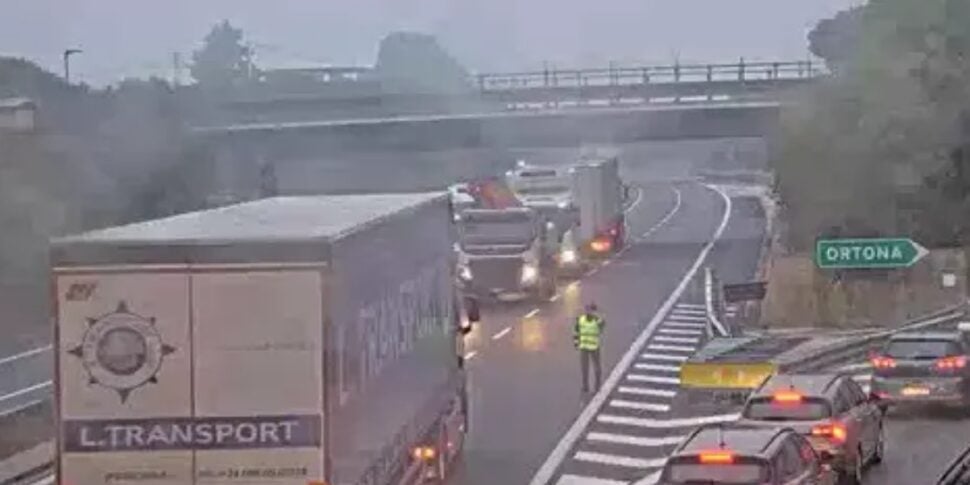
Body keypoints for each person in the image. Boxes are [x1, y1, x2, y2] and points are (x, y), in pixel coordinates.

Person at [575, 302, 605, 393]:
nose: (588, 312)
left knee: (597, 367)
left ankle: (597, 385)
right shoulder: (580, 319)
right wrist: (576, 343)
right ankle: (585, 386)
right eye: (587, 310)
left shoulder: (597, 320)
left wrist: (597, 318)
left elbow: (602, 326)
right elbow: (576, 331)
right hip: (584, 347)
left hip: (594, 347)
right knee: (584, 368)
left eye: (590, 310)